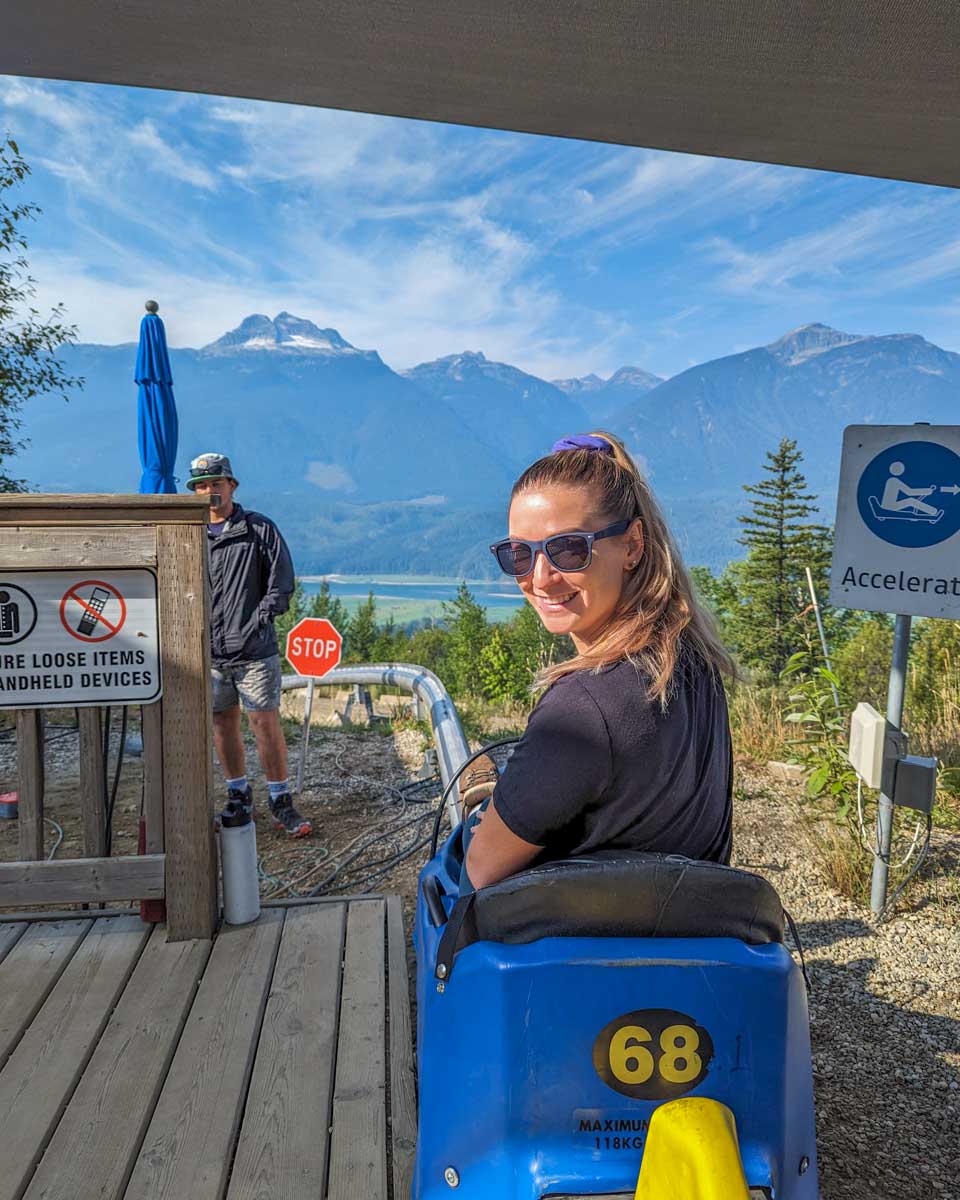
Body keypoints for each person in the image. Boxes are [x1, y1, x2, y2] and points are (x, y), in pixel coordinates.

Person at [459, 431, 735, 891]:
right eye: (519, 555)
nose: (540, 579)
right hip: (680, 935)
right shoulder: (689, 658)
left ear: (632, 545)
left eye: (569, 549)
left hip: (580, 947)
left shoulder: (584, 708)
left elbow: (481, 868)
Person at [187, 451, 312, 837]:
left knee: (263, 722)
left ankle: (280, 799)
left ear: (232, 485)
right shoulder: (187, 536)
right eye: (201, 485)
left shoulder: (259, 529)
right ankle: (238, 793)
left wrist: (258, 620)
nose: (209, 491)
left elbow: (282, 582)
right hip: (209, 653)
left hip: (254, 651)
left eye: (216, 483)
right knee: (222, 723)